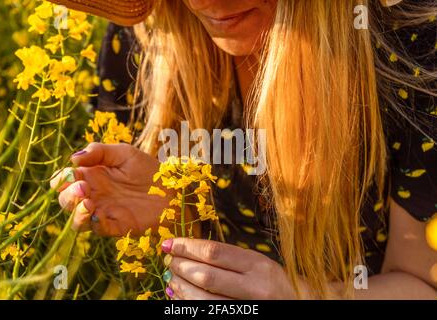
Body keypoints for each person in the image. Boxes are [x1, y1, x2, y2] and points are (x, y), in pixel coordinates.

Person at [50, 0, 437, 299]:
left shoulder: (411, 50)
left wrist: (297, 295)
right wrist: (176, 210)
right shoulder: (146, 38)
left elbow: (422, 284)